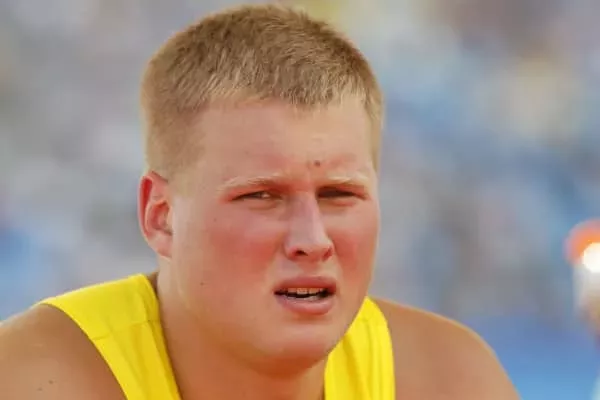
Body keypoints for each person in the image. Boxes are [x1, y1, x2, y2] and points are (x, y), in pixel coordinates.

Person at [0, 4, 519, 399]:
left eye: (339, 194)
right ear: (161, 216)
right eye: (262, 196)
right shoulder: (32, 380)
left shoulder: (449, 380)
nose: (312, 240)